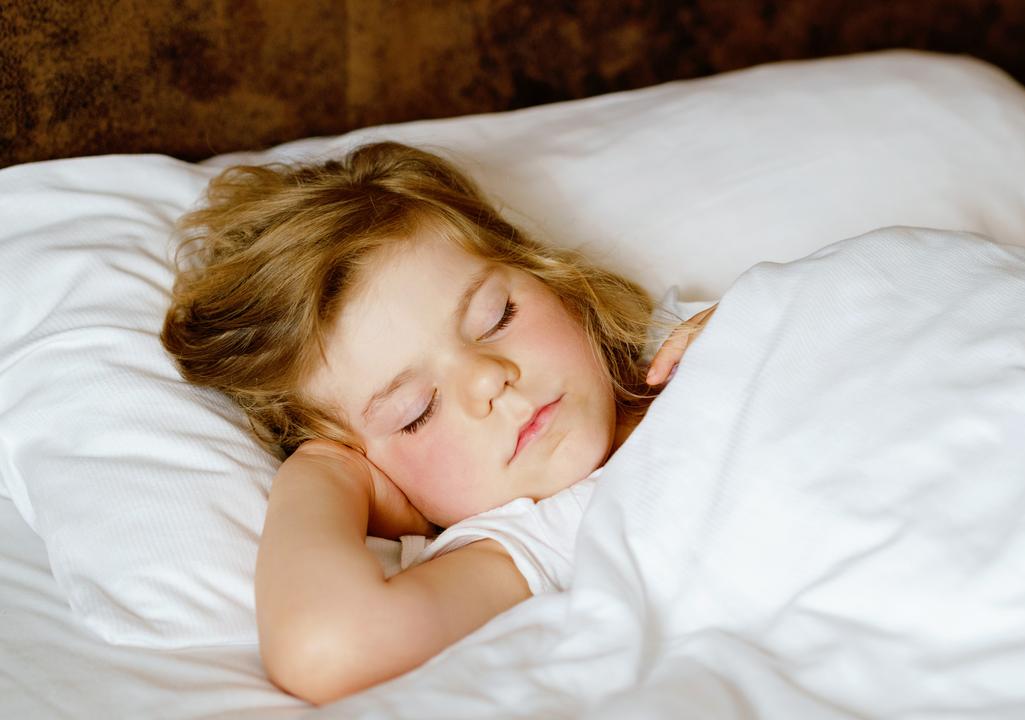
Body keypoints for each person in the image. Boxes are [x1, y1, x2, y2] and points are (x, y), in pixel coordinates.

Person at [161, 142, 715, 704]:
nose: (488, 379)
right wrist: (325, 473)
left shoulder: (690, 335)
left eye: (497, 316)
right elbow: (328, 647)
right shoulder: (533, 541)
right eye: (415, 412)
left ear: (546, 277)